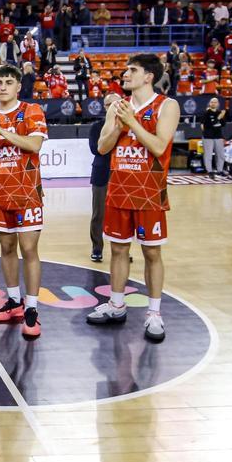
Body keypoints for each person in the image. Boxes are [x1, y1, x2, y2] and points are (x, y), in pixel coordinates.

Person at [86, 54, 179, 342]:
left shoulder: (167, 106)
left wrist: (133, 122)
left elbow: (160, 145)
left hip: (149, 192)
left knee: (152, 253)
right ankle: (116, 305)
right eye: (126, 69)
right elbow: (102, 147)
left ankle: (154, 313)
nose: (126, 74)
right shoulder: (117, 106)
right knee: (117, 250)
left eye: (132, 70)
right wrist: (117, 124)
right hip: (119, 189)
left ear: (148, 76)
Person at [0, 65, 48, 338]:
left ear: (19, 86)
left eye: (9, 82)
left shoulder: (31, 111)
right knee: (6, 248)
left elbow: (34, 145)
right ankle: (14, 301)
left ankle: (32, 309)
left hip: (28, 192)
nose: (3, 86)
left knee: (29, 249)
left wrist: (2, 130)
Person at [88, 95, 114, 262]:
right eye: (110, 104)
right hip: (102, 173)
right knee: (99, 214)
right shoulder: (97, 126)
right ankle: (97, 247)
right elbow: (95, 149)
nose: (114, 106)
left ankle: (121, 248)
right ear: (105, 107)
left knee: (121, 215)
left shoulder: (131, 125)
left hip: (123, 174)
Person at [200, 96, 227, 176]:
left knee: (220, 154)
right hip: (208, 136)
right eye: (212, 102)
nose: (213, 103)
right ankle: (209, 170)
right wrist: (219, 117)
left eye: (215, 102)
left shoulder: (220, 112)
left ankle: (220, 170)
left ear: (218, 104)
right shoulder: (206, 113)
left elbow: (223, 124)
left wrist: (221, 118)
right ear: (209, 103)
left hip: (218, 135)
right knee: (208, 154)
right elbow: (208, 125)